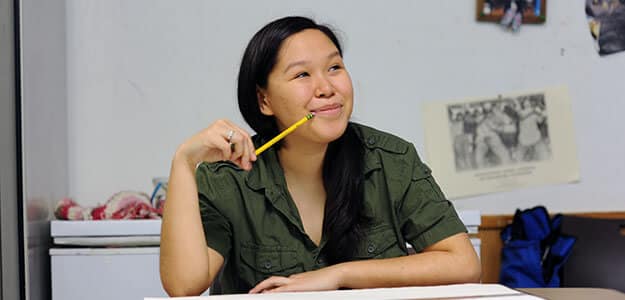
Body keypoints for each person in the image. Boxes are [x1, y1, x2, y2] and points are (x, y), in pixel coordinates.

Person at [159, 16, 481, 296]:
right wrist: (184, 162)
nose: (327, 88)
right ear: (264, 100)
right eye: (302, 75)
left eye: (335, 67)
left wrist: (338, 275)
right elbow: (184, 285)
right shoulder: (227, 178)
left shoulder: (391, 160)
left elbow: (462, 263)